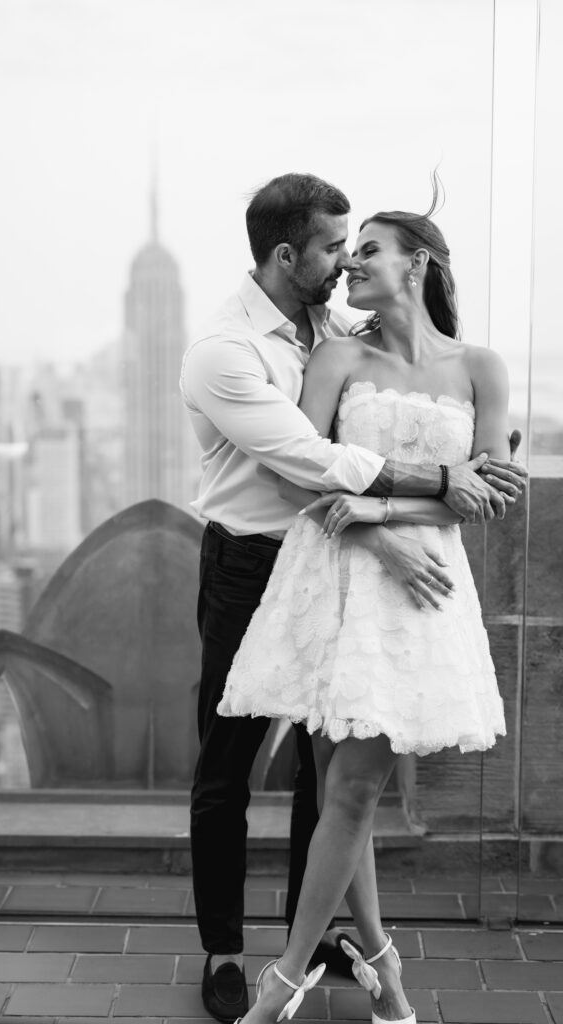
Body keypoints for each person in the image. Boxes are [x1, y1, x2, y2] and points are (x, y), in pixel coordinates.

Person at [180, 173, 525, 1024]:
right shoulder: (227, 350)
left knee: (330, 776)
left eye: (360, 246)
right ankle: (229, 951)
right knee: (230, 763)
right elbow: (308, 465)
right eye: (336, 247)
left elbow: (476, 472)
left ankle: (332, 937)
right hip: (255, 561)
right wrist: (425, 493)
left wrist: (443, 488)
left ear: (416, 265)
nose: (344, 262)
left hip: (358, 570)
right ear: (287, 253)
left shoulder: (339, 328)